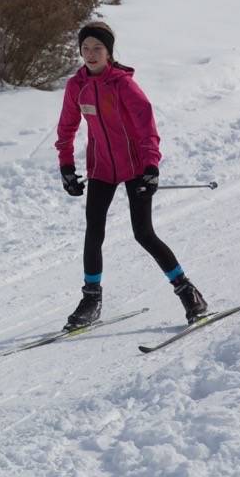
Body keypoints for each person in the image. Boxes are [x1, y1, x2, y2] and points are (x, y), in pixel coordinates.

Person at [55, 21, 208, 329]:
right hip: (101, 168)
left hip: (135, 166)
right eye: (85, 49)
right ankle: (91, 299)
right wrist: (66, 167)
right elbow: (66, 128)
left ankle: (188, 292)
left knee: (143, 233)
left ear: (109, 52)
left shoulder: (122, 84)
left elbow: (146, 125)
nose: (91, 54)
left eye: (97, 48)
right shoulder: (77, 86)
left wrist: (151, 166)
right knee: (93, 231)